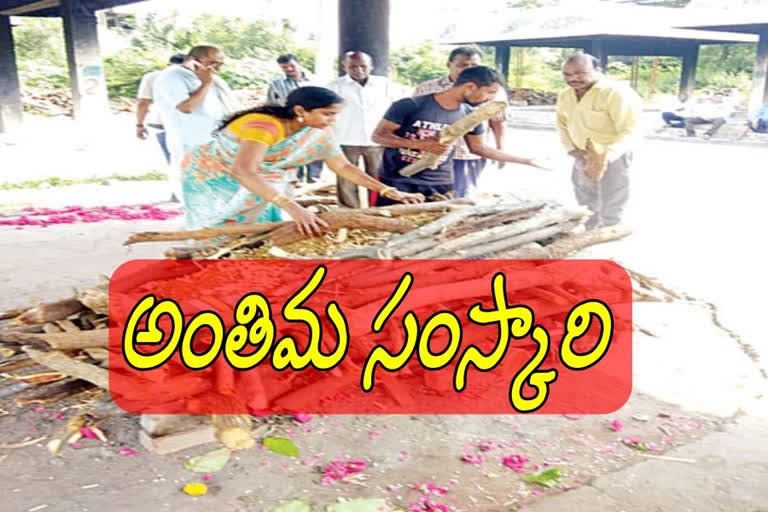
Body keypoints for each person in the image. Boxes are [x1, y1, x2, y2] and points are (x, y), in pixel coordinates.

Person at [181, 86, 424, 239]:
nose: (332, 120)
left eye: (335, 115)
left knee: (260, 225)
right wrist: (294, 207)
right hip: (214, 175)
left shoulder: (318, 130)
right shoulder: (264, 125)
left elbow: (342, 166)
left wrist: (388, 191)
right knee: (216, 229)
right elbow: (243, 171)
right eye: (327, 114)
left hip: (261, 179)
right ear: (301, 110)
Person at [372, 66, 544, 207]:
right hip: (398, 181)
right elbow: (379, 136)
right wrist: (420, 144)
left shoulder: (470, 115)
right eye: (489, 92)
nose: (490, 99)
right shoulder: (410, 105)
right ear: (469, 87)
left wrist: (527, 161)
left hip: (440, 183)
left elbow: (479, 148)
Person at [556, 53, 641, 229]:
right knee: (584, 195)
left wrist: (606, 156)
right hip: (580, 152)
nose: (573, 78)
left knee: (613, 196)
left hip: (612, 154)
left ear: (597, 70)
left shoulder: (615, 93)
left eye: (580, 73)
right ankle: (590, 229)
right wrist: (571, 149)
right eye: (567, 74)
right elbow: (562, 124)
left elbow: (630, 129)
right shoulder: (565, 95)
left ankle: (610, 230)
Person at [413, 46, 509, 198]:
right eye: (462, 65)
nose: (468, 69)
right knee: (428, 197)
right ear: (449, 64)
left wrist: (500, 149)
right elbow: (413, 120)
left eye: (474, 65)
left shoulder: (493, 90)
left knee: (462, 197)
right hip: (431, 153)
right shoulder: (427, 88)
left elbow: (498, 122)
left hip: (467, 153)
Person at [153, 45, 240, 201]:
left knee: (217, 190)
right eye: (214, 63)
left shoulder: (205, 77)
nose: (218, 69)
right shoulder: (172, 77)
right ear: (195, 61)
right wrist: (205, 84)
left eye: (221, 64)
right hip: (189, 143)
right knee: (193, 190)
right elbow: (186, 107)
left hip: (213, 142)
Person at [326, 51, 406, 208]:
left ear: (371, 66)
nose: (359, 70)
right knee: (346, 177)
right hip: (345, 138)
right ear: (344, 66)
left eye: (363, 66)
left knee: (377, 177)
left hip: (376, 140)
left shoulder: (386, 85)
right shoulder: (333, 87)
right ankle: (349, 212)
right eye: (353, 66)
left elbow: (399, 108)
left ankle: (377, 208)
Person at [267, 54, 322, 183]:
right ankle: (296, 178)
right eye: (285, 67)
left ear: (299, 64)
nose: (289, 69)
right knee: (293, 150)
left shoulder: (316, 81)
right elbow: (271, 104)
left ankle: (314, 178)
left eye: (292, 66)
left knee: (314, 148)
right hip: (290, 123)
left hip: (313, 122)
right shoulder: (276, 84)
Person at [135, 53, 186, 164]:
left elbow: (143, 103)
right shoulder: (196, 76)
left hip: (163, 124)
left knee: (174, 162)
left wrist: (139, 125)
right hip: (190, 126)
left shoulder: (152, 77)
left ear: (167, 65)